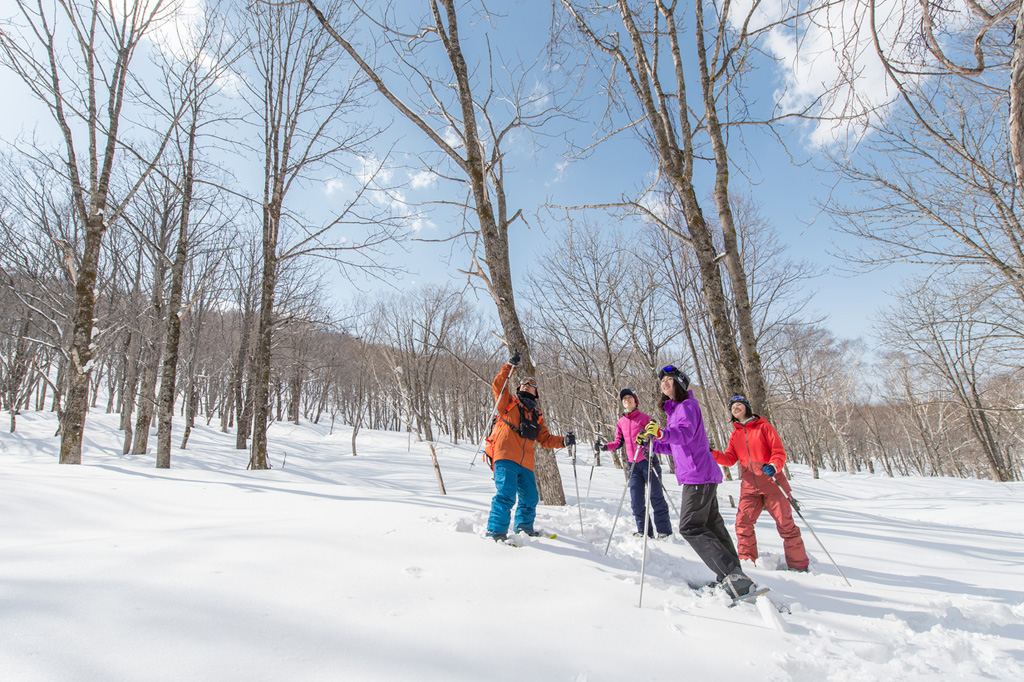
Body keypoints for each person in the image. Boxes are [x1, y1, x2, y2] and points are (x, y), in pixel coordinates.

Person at [638, 366, 755, 598]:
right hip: (698, 474)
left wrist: (661, 433)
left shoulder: (687, 406)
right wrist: (651, 442)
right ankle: (733, 577)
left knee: (689, 526)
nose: (664, 383)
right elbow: (675, 445)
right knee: (711, 525)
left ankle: (733, 575)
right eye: (662, 381)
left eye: (669, 380)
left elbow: (685, 433)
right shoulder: (675, 411)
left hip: (698, 475)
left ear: (680, 383)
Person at [483, 351, 575, 541]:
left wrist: (563, 441)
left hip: (526, 463)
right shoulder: (508, 403)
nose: (528, 385)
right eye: (524, 383)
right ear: (519, 387)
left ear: (536, 392)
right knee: (506, 495)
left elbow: (545, 439)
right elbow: (498, 386)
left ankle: (524, 528)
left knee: (531, 497)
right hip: (506, 455)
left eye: (532, 384)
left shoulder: (536, 414)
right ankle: (495, 532)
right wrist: (509, 366)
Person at [711, 396, 809, 572]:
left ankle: (798, 565)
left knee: (786, 525)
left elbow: (778, 452)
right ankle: (748, 563)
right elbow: (730, 459)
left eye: (739, 405)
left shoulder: (764, 427)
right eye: (733, 407)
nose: (735, 408)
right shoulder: (735, 435)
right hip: (749, 486)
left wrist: (773, 466)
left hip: (772, 483)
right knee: (742, 523)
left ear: (747, 407)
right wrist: (711, 453)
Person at [596, 388, 672, 538]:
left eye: (629, 398)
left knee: (656, 497)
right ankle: (644, 532)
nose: (627, 400)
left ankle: (664, 531)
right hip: (633, 466)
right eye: (624, 399)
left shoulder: (644, 418)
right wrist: (605, 447)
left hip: (648, 461)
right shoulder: (621, 422)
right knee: (636, 501)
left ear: (635, 400)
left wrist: (647, 441)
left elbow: (655, 437)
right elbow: (618, 442)